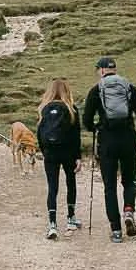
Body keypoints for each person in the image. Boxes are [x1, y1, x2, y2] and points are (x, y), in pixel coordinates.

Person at [82, 55, 136, 242]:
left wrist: (96, 127)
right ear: (114, 69)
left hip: (107, 141)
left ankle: (116, 230)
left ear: (102, 70)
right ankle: (128, 210)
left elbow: (86, 120)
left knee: (109, 186)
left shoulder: (96, 90)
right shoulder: (129, 87)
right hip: (128, 138)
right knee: (129, 181)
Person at [37, 79, 82, 240]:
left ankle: (52, 224)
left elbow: (39, 133)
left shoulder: (44, 108)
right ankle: (71, 218)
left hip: (50, 153)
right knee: (71, 183)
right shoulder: (71, 109)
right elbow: (76, 135)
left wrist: (44, 151)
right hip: (68, 152)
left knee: (52, 187)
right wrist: (78, 157)